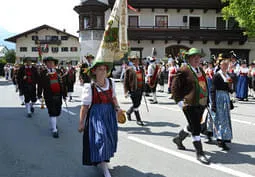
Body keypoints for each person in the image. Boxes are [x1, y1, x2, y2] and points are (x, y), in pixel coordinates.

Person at [79, 59, 122, 177]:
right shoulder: (90, 87)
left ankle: (102, 160)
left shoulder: (111, 83)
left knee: (110, 139)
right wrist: (81, 122)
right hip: (96, 115)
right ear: (94, 71)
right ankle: (105, 170)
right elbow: (85, 107)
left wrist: (118, 109)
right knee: (101, 139)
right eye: (100, 69)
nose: (103, 72)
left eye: (104, 69)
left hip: (109, 114)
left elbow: (113, 99)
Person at [171, 48, 210, 165]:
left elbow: (204, 86)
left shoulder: (201, 70)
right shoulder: (183, 70)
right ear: (189, 59)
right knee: (196, 129)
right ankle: (200, 153)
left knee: (193, 125)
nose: (197, 59)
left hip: (201, 103)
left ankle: (178, 138)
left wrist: (207, 100)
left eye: (198, 57)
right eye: (194, 57)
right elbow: (174, 87)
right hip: (189, 104)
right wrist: (179, 102)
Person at [38, 57, 67, 138]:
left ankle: (53, 123)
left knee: (58, 112)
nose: (50, 64)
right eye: (48, 62)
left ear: (55, 64)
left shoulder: (59, 72)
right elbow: (40, 85)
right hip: (48, 96)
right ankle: (54, 130)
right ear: (46, 64)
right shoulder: (43, 73)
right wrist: (39, 95)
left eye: (52, 62)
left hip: (58, 95)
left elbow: (63, 84)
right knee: (52, 112)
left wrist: (64, 95)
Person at [211, 54, 233, 151]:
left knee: (225, 119)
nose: (225, 67)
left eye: (227, 65)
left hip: (225, 98)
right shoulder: (217, 75)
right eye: (224, 65)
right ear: (220, 65)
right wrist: (214, 104)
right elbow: (212, 89)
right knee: (220, 119)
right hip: (219, 97)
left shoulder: (227, 75)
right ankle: (221, 140)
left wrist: (230, 88)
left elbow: (229, 89)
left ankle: (224, 138)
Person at [124, 55, 145, 126]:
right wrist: (126, 91)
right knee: (136, 104)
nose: (136, 62)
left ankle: (129, 112)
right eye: (134, 60)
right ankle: (138, 119)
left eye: (137, 60)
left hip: (140, 89)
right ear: (132, 61)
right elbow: (125, 81)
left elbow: (143, 79)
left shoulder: (141, 69)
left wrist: (144, 89)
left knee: (138, 103)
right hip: (133, 89)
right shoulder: (129, 69)